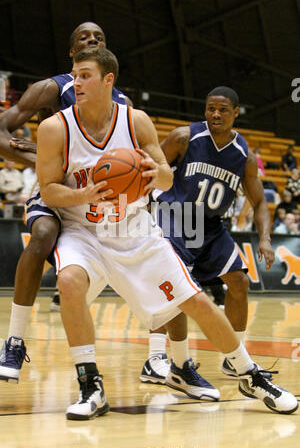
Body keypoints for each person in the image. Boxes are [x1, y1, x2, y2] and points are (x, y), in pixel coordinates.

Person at [30, 48, 297, 420]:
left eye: (85, 75)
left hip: (134, 227)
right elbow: (47, 190)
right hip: (84, 230)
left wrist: (152, 175)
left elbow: (168, 177)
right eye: (74, 74)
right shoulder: (54, 127)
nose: (76, 81)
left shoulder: (135, 121)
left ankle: (249, 373)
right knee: (70, 281)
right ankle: (90, 384)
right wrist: (84, 194)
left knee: (197, 300)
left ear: (109, 80)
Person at [0, 22, 130, 376]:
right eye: (84, 38)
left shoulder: (124, 103)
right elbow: (1, 130)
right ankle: (13, 342)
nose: (92, 40)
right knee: (42, 234)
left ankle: (163, 356)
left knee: (150, 258)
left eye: (99, 37)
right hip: (56, 191)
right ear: (72, 54)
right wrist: (43, 163)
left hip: (97, 201)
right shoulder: (51, 88)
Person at [141, 86, 276, 386]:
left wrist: (264, 238)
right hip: (175, 217)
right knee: (178, 286)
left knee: (239, 282)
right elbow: (149, 171)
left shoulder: (244, 155)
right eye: (211, 108)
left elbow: (260, 202)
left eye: (223, 109)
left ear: (235, 113)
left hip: (211, 226)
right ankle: (157, 359)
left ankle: (234, 358)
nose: (215, 114)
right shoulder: (183, 137)